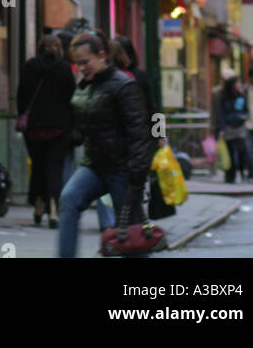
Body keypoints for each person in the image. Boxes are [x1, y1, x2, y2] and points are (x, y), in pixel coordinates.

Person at [57, 29, 153, 258]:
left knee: (130, 235)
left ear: (102, 55)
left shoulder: (124, 85)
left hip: (123, 169)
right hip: (94, 165)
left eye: (85, 62)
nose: (81, 68)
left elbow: (141, 129)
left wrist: (138, 174)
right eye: (77, 64)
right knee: (69, 199)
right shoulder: (86, 86)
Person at [17, 35, 75, 228]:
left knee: (38, 166)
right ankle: (53, 208)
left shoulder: (29, 67)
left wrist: (24, 116)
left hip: (34, 127)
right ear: (58, 48)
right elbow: (71, 98)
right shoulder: (64, 69)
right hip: (59, 127)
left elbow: (21, 96)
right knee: (54, 168)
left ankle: (38, 205)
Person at [215, 76, 249, 183]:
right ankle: (230, 174)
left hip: (239, 126)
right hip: (229, 126)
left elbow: (246, 109)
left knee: (242, 150)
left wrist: (245, 116)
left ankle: (242, 170)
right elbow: (222, 113)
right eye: (237, 83)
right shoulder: (224, 97)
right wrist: (222, 128)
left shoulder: (242, 96)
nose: (239, 85)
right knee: (229, 152)